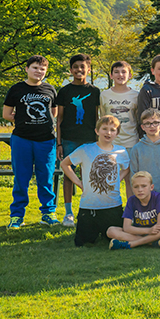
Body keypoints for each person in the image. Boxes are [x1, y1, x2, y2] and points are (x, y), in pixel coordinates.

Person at [2, 55, 59, 229]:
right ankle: (17, 216)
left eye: (42, 69)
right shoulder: (16, 89)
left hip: (46, 140)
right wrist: (22, 120)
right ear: (27, 69)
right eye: (35, 68)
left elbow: (54, 113)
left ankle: (48, 213)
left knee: (46, 178)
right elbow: (6, 114)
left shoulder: (50, 89)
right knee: (21, 178)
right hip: (22, 139)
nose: (39, 71)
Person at [60, 115, 131, 246]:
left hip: (113, 206)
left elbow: (127, 168)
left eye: (112, 130)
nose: (108, 133)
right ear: (97, 131)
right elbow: (65, 164)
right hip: (89, 206)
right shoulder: (85, 149)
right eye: (104, 129)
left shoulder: (121, 151)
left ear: (117, 133)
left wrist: (117, 179)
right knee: (82, 243)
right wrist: (79, 183)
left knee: (114, 236)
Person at [55, 53, 100, 226]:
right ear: (71, 70)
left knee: (89, 175)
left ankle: (89, 210)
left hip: (89, 139)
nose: (79, 70)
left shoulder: (94, 91)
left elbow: (97, 117)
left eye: (83, 67)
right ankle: (68, 213)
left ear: (88, 69)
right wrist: (59, 143)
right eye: (75, 67)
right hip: (69, 139)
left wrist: (98, 140)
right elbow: (59, 119)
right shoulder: (65, 91)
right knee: (68, 174)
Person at [107, 171, 160, 249]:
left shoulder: (159, 198)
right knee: (111, 231)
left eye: (144, 186)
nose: (140, 190)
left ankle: (132, 244)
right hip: (139, 232)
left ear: (151, 187)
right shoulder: (131, 200)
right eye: (136, 187)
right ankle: (153, 242)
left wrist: (151, 231)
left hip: (158, 232)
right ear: (132, 188)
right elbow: (126, 227)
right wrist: (148, 231)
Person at [126, 109, 160, 209]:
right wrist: (141, 196)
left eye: (155, 123)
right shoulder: (137, 149)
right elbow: (134, 174)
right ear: (142, 127)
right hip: (143, 200)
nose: (152, 126)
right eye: (148, 124)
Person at [99, 60, 138, 149]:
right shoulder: (104, 95)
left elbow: (137, 119)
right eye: (116, 72)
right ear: (111, 76)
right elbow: (102, 118)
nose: (120, 75)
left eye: (124, 72)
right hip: (111, 142)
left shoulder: (136, 95)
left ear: (130, 75)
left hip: (131, 142)